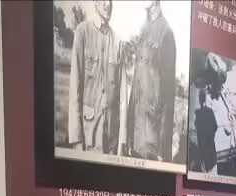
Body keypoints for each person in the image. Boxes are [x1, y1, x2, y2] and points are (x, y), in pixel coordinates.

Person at [67, 0, 123, 154]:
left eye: (111, 0)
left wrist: (121, 142)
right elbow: (74, 88)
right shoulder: (82, 32)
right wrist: (76, 139)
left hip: (111, 142)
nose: (108, 4)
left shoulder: (118, 43)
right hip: (88, 138)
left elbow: (121, 99)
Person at [126, 0, 177, 162]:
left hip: (152, 140)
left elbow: (168, 96)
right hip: (137, 132)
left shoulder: (166, 33)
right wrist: (129, 131)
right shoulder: (144, 29)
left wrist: (162, 147)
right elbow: (136, 82)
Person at [192, 88, 218, 172]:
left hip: (202, 149)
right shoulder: (210, 111)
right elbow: (215, 126)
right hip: (211, 148)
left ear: (199, 100)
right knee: (212, 169)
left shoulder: (198, 113)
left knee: (204, 169)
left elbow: (196, 126)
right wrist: (210, 136)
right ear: (205, 99)